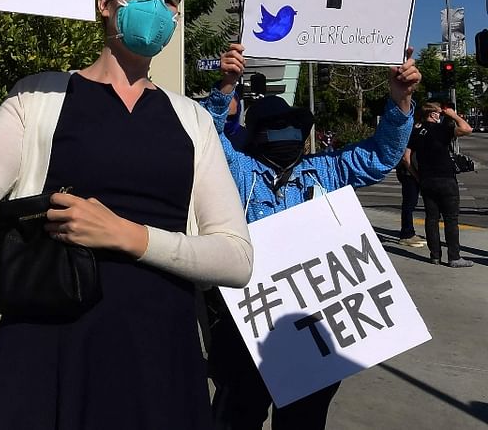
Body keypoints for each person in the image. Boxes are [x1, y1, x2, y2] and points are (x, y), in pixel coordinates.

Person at [0, 0, 253, 429]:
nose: (157, 9)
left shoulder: (194, 121)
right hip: (47, 350)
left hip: (159, 357)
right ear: (107, 2)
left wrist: (126, 234)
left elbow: (236, 259)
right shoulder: (39, 96)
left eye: (170, 2)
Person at [201, 43, 420, 430]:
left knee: (304, 421)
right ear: (254, 136)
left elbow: (380, 156)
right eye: (275, 131)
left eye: (295, 130)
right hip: (246, 328)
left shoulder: (326, 170)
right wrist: (226, 87)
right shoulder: (238, 169)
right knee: (236, 416)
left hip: (313, 331)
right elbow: (204, 136)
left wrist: (399, 101)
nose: (287, 137)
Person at [404, 102, 473, 268]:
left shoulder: (415, 132)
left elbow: (406, 157)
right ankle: (454, 257)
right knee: (450, 219)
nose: (441, 116)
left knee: (432, 218)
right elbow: (467, 129)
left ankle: (434, 255)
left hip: (427, 180)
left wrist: (417, 176)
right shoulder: (441, 129)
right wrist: (453, 115)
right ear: (433, 115)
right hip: (445, 179)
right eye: (439, 114)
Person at [395, 150, 424, 247]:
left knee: (411, 203)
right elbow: (405, 158)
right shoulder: (410, 137)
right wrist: (416, 176)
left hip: (412, 172)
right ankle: (406, 234)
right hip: (408, 173)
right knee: (409, 203)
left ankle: (409, 232)